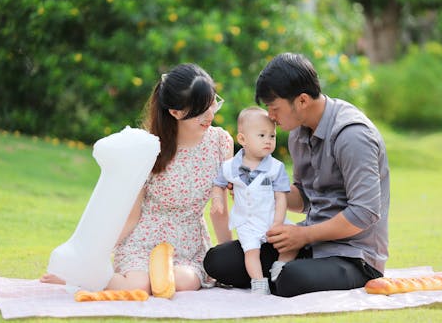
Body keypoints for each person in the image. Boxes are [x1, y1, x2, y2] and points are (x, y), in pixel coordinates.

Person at [204, 52, 390, 297]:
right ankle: (282, 274)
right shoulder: (298, 133)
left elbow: (365, 212)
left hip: (354, 255)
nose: (270, 116)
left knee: (290, 278)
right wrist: (258, 184)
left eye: (274, 108)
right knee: (218, 261)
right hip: (309, 244)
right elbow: (304, 198)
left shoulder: (352, 135)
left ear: (302, 101)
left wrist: (303, 235)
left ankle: (284, 276)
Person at [41, 63, 234, 293]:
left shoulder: (221, 142)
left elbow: (219, 210)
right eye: (200, 110)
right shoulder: (149, 148)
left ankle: (154, 277)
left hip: (187, 245)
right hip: (143, 240)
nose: (210, 115)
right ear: (175, 112)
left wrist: (227, 261)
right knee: (138, 286)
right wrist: (93, 256)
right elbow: (133, 215)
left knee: (185, 281)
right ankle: (79, 277)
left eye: (212, 104)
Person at [210, 107, 297, 295]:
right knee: (251, 252)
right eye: (262, 135)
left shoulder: (275, 167)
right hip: (247, 222)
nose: (268, 140)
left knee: (292, 243)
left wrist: (278, 221)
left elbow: (281, 197)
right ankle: (258, 281)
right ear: (242, 140)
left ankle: (280, 265)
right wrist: (217, 199)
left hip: (270, 218)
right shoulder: (230, 167)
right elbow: (219, 184)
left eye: (272, 136)